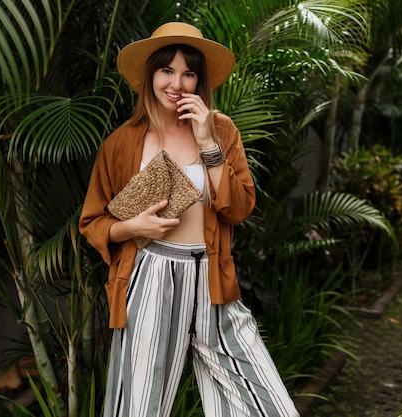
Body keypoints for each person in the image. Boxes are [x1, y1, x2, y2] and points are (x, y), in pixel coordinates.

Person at [79, 22, 300, 417]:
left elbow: (239, 208)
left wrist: (206, 142)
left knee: (268, 407)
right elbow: (92, 222)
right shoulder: (122, 142)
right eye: (167, 70)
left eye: (188, 72)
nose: (176, 82)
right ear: (151, 76)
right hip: (150, 277)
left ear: (200, 80)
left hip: (213, 279)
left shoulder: (221, 130)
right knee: (139, 405)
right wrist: (134, 228)